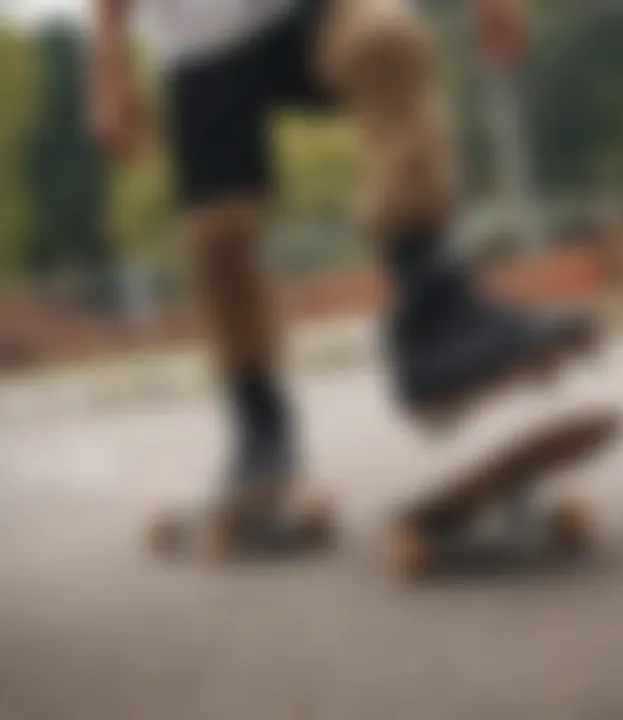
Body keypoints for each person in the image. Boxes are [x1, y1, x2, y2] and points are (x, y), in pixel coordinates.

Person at [88, 0, 596, 537]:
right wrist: (106, 68)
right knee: (219, 233)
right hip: (200, 43)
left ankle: (433, 316)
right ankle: (260, 431)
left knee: (385, 39)